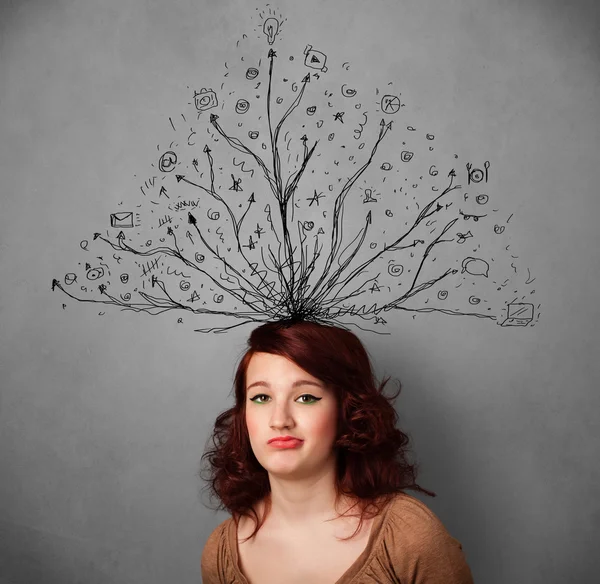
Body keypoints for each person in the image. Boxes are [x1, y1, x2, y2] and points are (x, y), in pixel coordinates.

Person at [199, 319, 474, 583]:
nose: (279, 419)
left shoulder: (410, 537)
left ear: (347, 411)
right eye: (261, 397)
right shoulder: (221, 552)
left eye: (306, 397)